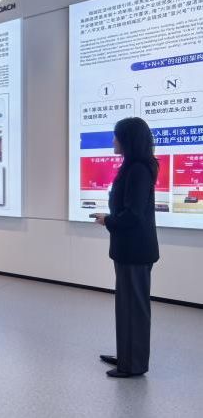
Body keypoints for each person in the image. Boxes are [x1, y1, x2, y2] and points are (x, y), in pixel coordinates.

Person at [92, 117, 160, 378]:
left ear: (128, 140)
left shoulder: (138, 170)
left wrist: (108, 220)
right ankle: (127, 355)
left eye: (116, 135)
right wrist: (110, 217)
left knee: (134, 308)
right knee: (127, 306)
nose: (113, 140)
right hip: (129, 249)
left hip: (135, 251)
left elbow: (134, 216)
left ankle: (134, 365)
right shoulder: (132, 167)